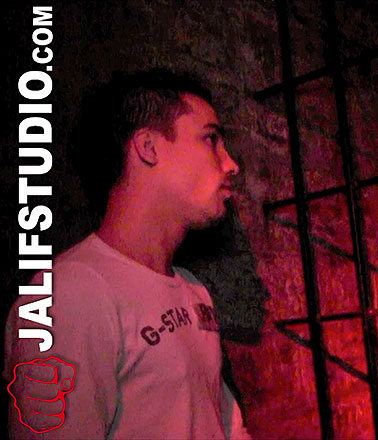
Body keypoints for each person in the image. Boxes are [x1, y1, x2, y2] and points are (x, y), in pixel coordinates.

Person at [4, 69, 251, 439]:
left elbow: (225, 428)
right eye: (211, 138)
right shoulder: (68, 294)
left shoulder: (193, 290)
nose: (231, 164)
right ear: (147, 147)